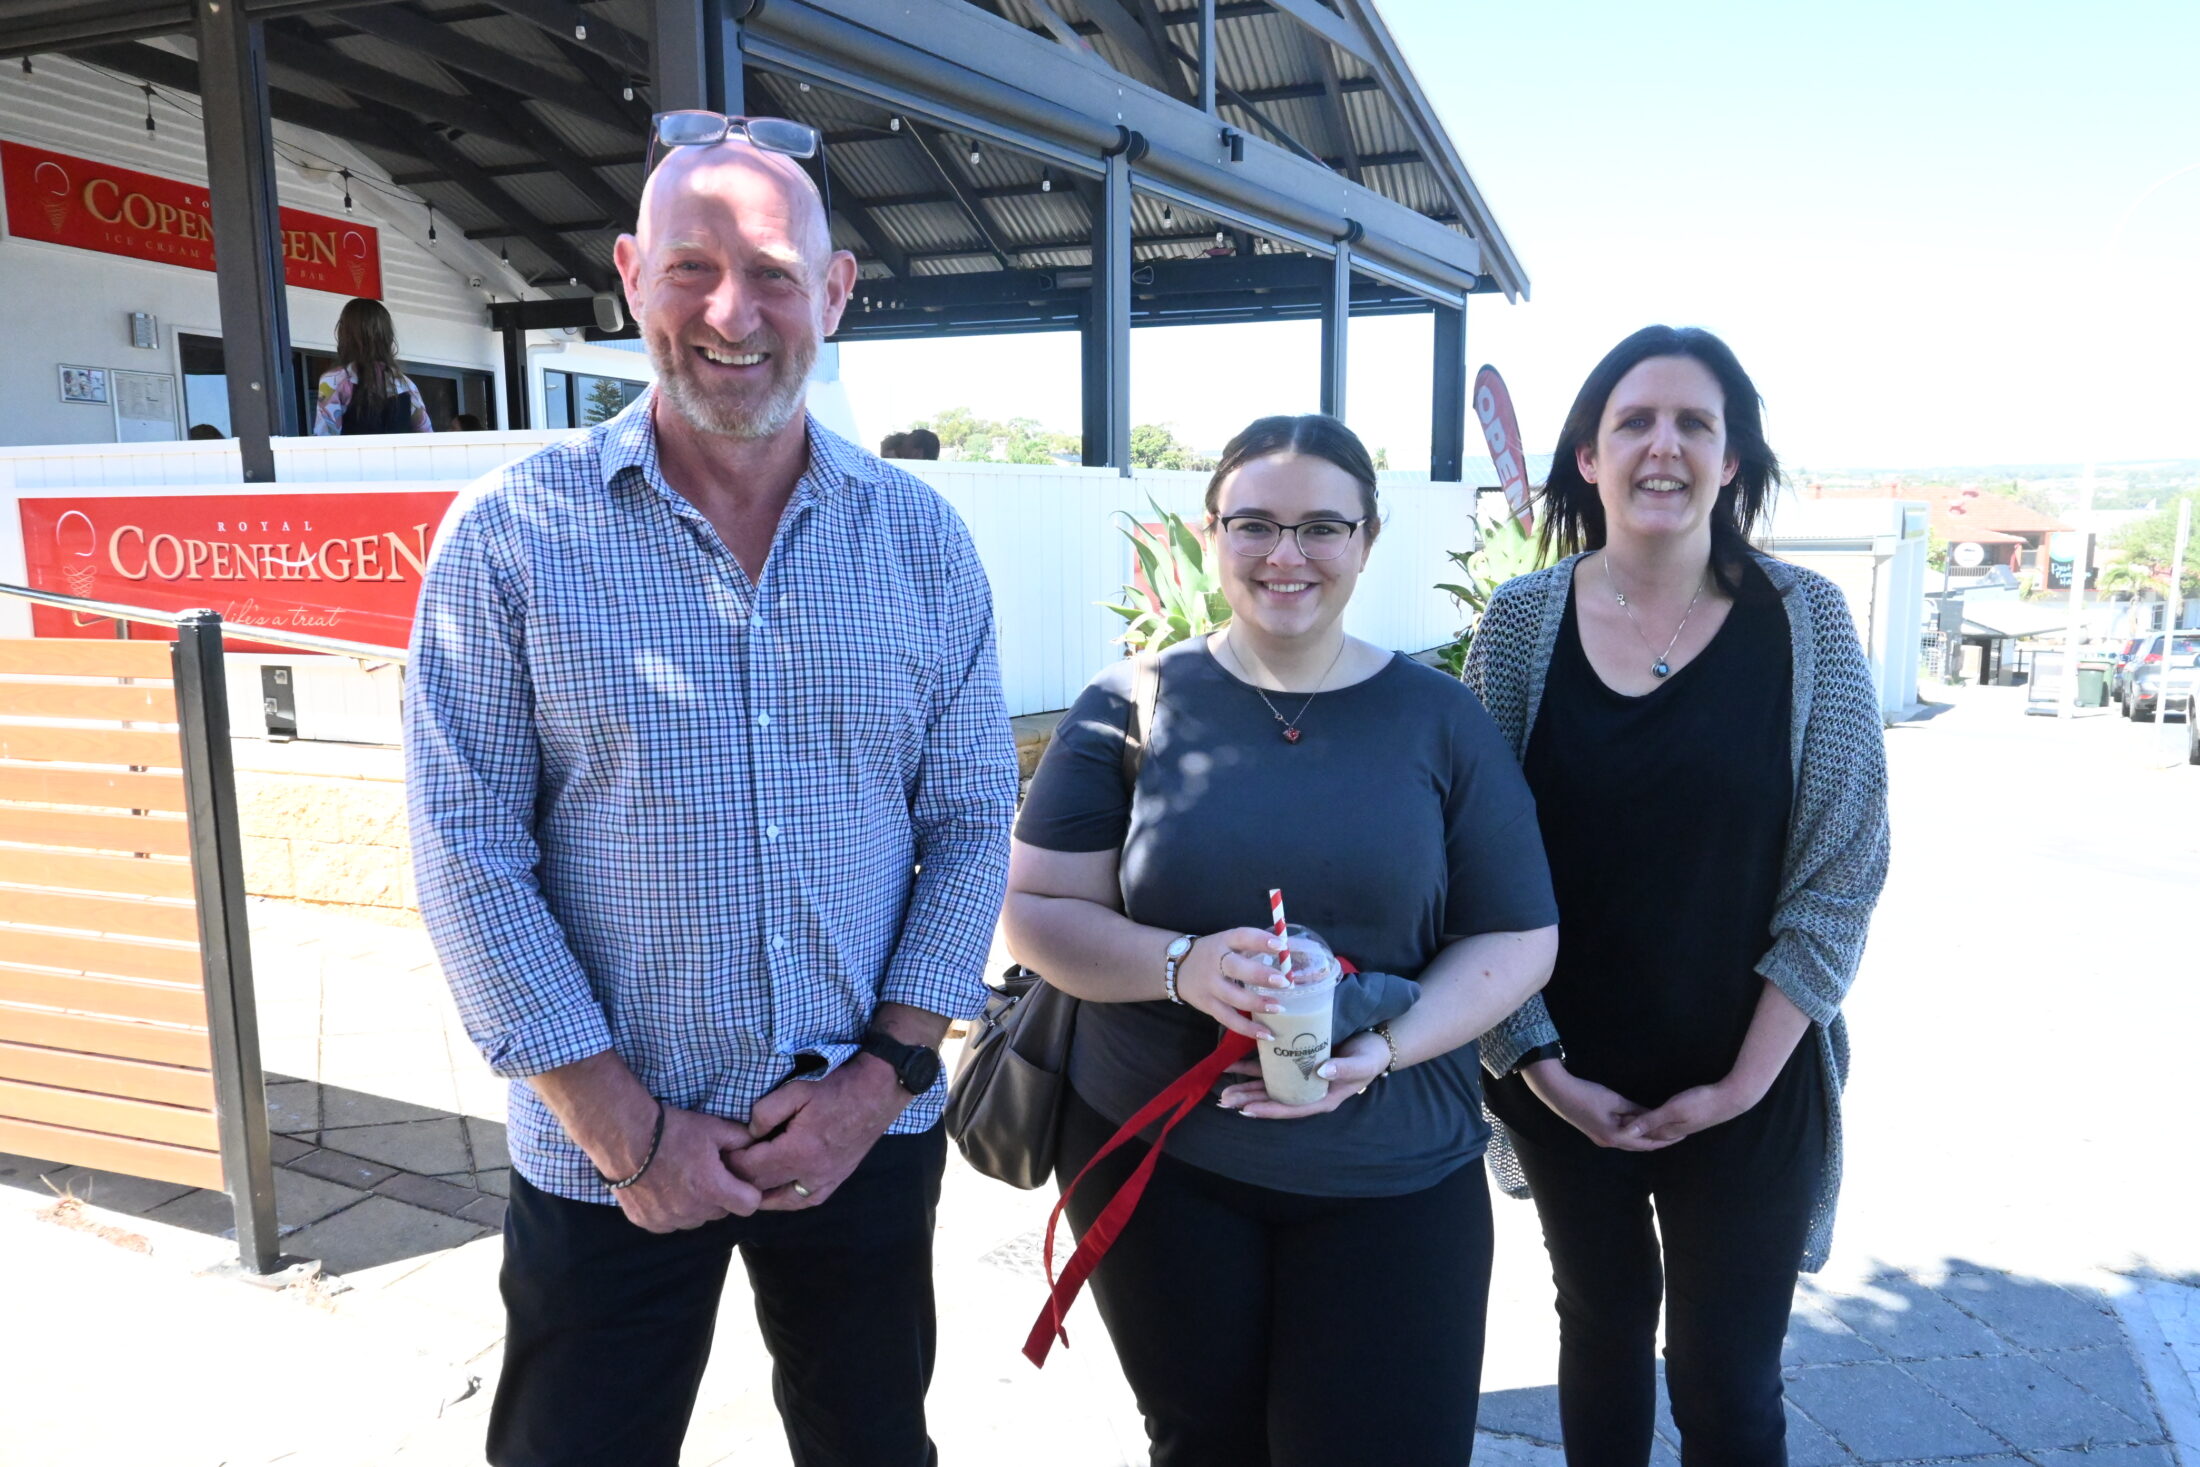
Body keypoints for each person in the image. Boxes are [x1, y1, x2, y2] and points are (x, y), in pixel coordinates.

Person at [405, 118, 1018, 1467]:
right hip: (606, 1159)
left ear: (838, 291)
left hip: (858, 1130)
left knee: (872, 1445)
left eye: (775, 273)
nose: (732, 313)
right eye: (692, 267)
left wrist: (881, 1077)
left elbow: (973, 824)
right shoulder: (509, 536)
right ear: (630, 274)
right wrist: (628, 1134)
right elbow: (466, 853)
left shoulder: (920, 541)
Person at [1005, 413, 1561, 1467]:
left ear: (1366, 539)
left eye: (1321, 527)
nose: (1285, 555)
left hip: (1393, 1169)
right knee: (1202, 1447)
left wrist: (1385, 1049)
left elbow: (1518, 936)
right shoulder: (1127, 708)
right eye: (1253, 523)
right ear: (1211, 534)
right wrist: (1183, 965)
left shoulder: (1438, 718)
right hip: (1166, 1163)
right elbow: (1036, 912)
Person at [1463, 325, 1890, 1465]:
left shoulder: (1804, 622)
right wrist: (1539, 1070)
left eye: (1694, 423)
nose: (1665, 446)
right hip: (1565, 1078)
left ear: (1733, 459)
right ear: (1588, 458)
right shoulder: (1519, 624)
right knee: (1599, 1336)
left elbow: (1842, 871)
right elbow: (1474, 868)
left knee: (1730, 1384)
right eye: (1633, 422)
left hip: (1753, 1079)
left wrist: (1741, 1086)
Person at [312, 297, 432, 436]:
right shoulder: (406, 385)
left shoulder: (335, 381)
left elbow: (325, 439)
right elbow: (426, 435)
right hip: (399, 458)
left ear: (345, 333)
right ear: (387, 336)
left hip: (355, 457)